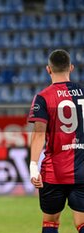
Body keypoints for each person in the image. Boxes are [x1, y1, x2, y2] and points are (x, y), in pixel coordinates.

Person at [28, 49, 84, 233]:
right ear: (71, 68)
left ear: (48, 69)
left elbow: (38, 134)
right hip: (82, 170)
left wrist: (33, 167)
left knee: (50, 222)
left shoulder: (43, 97)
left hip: (54, 172)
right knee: (81, 223)